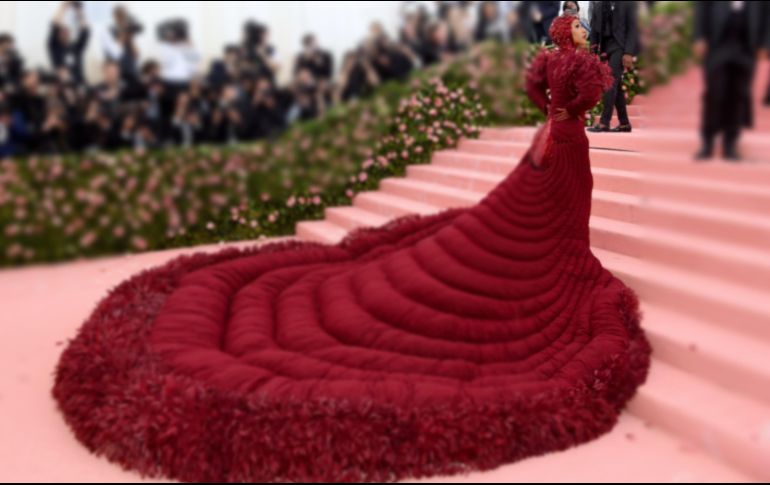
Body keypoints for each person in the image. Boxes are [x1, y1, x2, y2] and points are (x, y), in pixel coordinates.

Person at [52, 14, 651, 484]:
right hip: (566, 139)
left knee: (541, 205)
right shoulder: (576, 64)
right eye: (573, 22)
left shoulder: (546, 64)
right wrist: (573, 106)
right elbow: (591, 94)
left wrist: (551, 111)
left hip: (549, 134)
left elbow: (536, 91)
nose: (577, 25)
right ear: (564, 32)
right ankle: (564, 254)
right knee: (559, 205)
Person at [692, 1, 770, 161]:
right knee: (715, 93)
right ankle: (708, 142)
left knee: (739, 96)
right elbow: (701, 7)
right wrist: (699, 36)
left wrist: (765, 44)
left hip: (747, 47)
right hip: (717, 44)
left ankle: (730, 143)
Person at [587, 1, 639, 133]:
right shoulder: (597, 5)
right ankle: (624, 123)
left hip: (619, 46)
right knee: (616, 83)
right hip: (605, 48)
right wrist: (592, 53)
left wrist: (628, 52)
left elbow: (633, 28)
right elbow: (593, 31)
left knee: (610, 80)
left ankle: (604, 122)